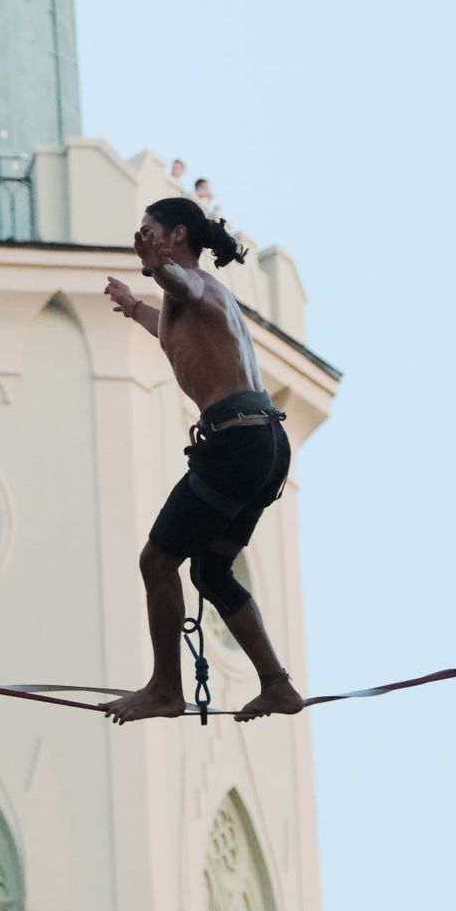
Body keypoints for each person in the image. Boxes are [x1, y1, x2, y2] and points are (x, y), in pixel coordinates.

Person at [101, 198, 303, 725]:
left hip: (236, 445)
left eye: (148, 231)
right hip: (264, 446)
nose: (139, 238)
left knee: (157, 561)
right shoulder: (200, 304)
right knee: (211, 573)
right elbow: (171, 327)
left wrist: (162, 267)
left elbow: (183, 286)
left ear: (177, 236)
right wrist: (131, 305)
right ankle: (276, 685)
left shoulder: (194, 284)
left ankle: (166, 688)